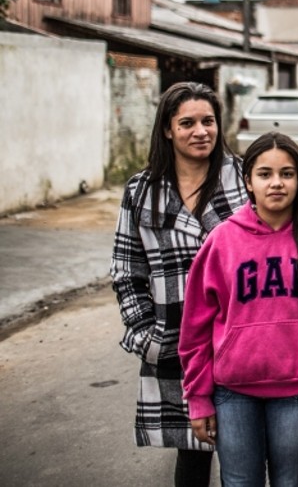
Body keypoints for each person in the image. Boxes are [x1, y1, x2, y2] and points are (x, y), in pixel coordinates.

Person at [179, 132, 298, 486]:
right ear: (248, 181)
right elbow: (195, 329)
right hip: (232, 393)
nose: (276, 183)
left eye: (287, 173)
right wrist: (198, 397)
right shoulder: (221, 241)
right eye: (265, 174)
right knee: (240, 482)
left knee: (290, 482)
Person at [110, 81, 248, 486]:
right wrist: (144, 334)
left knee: (247, 455)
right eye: (187, 123)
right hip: (176, 345)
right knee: (193, 452)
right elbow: (126, 268)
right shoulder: (142, 190)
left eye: (208, 121)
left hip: (243, 340)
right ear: (168, 129)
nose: (200, 131)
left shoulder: (243, 177)